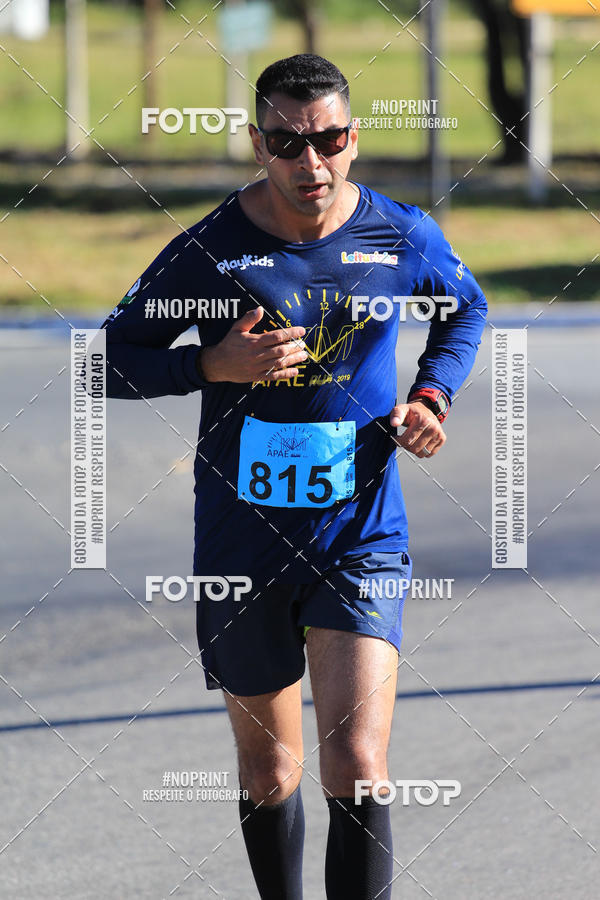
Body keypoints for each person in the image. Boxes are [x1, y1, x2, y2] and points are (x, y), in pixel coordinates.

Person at [102, 54, 486, 900]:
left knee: (356, 758)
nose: (311, 163)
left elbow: (465, 306)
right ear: (257, 144)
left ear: (353, 138)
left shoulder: (401, 235)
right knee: (271, 771)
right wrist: (213, 362)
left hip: (360, 535)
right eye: (286, 143)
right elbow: (107, 364)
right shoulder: (211, 248)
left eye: (329, 139)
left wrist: (432, 393)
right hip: (244, 542)